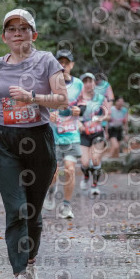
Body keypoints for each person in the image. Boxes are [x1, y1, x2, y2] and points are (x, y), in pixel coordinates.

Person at [0, 8, 67, 279]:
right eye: (11, 29)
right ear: (4, 37)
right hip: (4, 141)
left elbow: (63, 100)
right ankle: (20, 277)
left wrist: (33, 98)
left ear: (34, 34)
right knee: (16, 209)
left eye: (23, 28)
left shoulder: (47, 61)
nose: (17, 33)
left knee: (32, 212)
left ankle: (30, 261)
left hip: (38, 140)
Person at [43, 49, 83, 219]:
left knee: (70, 169)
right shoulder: (48, 83)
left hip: (72, 136)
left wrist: (79, 110)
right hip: (53, 136)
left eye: (66, 63)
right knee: (53, 172)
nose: (63, 66)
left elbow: (84, 104)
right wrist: (48, 114)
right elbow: (40, 104)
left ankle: (66, 206)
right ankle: (51, 191)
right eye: (60, 62)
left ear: (72, 65)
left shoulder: (78, 84)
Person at [77, 72, 110, 196]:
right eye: (85, 82)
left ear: (94, 83)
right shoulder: (77, 99)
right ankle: (86, 176)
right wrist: (78, 124)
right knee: (85, 163)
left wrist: (100, 118)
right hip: (83, 134)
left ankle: (95, 186)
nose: (88, 84)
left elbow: (108, 115)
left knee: (95, 160)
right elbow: (71, 115)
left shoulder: (101, 98)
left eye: (90, 81)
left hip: (97, 133)